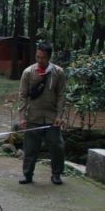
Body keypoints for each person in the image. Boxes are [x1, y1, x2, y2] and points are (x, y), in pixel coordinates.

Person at [18, 42, 67, 185]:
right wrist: (22, 117)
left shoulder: (58, 72)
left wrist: (59, 116)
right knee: (30, 148)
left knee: (57, 146)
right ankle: (27, 174)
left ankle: (56, 174)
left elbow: (61, 95)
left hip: (52, 118)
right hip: (33, 116)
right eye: (37, 57)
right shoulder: (28, 72)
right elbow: (22, 96)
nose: (40, 60)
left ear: (49, 57)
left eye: (43, 58)